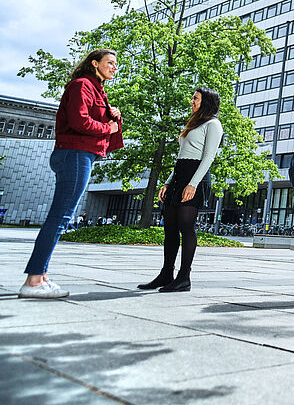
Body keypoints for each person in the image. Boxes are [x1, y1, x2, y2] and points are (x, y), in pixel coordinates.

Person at [20, 49, 123, 299]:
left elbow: (92, 119)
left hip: (80, 154)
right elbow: (80, 121)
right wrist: (106, 127)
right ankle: (33, 281)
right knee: (61, 216)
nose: (114, 68)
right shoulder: (82, 85)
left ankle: (40, 276)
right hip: (75, 153)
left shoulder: (97, 89)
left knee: (61, 215)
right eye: (109, 63)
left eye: (115, 64)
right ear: (94, 63)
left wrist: (113, 116)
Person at [138, 87, 223, 293]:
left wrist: (192, 184)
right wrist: (168, 182)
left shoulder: (213, 124)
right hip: (179, 174)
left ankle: (184, 277)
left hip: (195, 175)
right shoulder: (193, 123)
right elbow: (181, 155)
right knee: (170, 228)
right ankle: (166, 273)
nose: (191, 101)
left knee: (186, 227)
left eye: (195, 98)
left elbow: (208, 157)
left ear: (206, 102)